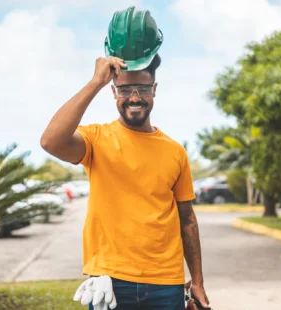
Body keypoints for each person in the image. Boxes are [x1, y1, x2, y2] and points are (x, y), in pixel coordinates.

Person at [40, 6, 210, 310]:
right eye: (125, 89)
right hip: (111, 282)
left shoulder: (174, 151)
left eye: (142, 88)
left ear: (154, 90)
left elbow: (187, 220)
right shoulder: (96, 140)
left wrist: (196, 281)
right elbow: (50, 141)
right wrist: (95, 82)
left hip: (166, 283)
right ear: (113, 92)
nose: (134, 97)